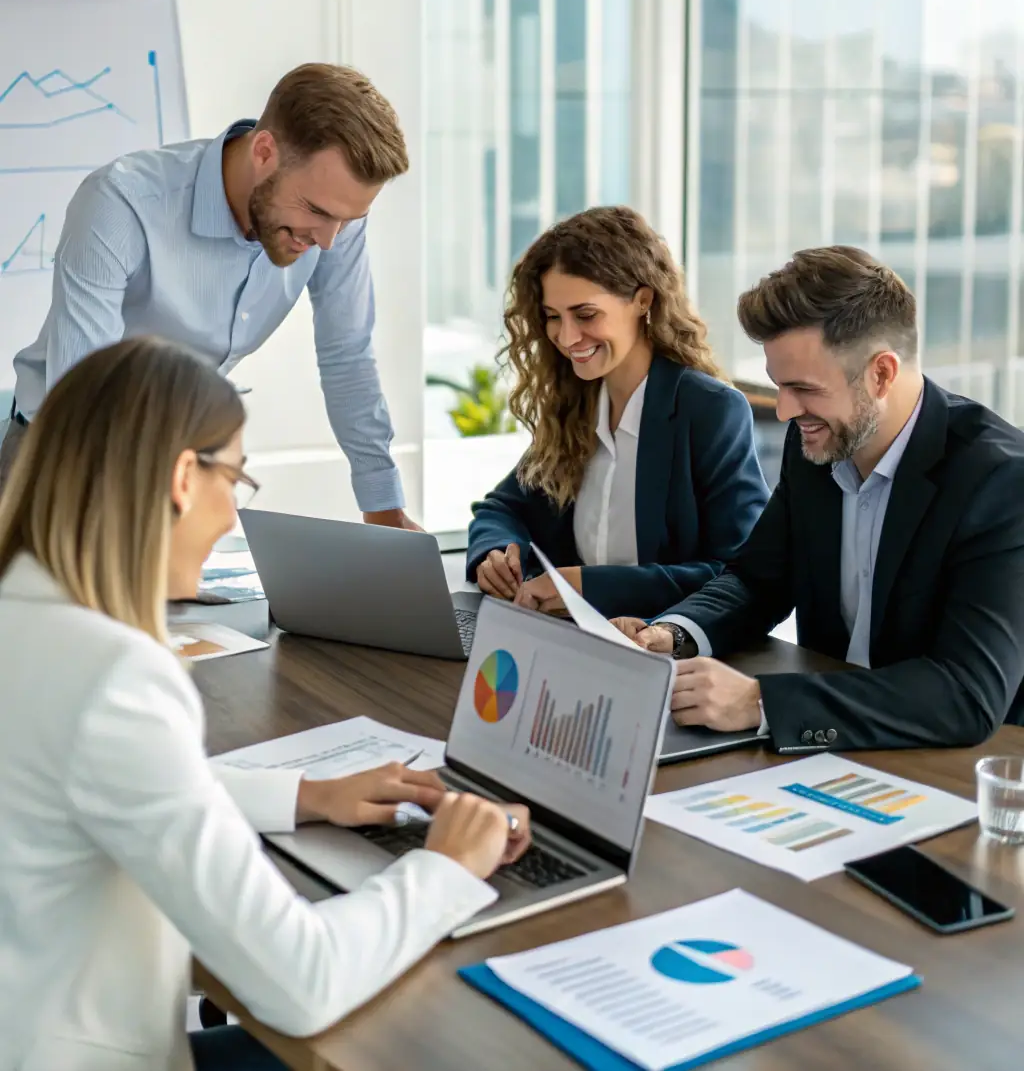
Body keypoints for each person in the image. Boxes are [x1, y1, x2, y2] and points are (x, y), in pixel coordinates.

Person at [0, 337, 529, 1071]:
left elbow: (89, 778)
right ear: (185, 476)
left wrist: (308, 795)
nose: (230, 516)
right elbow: (301, 981)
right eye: (236, 480)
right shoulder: (116, 678)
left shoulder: (24, 616)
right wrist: (447, 868)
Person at [614, 246, 1024, 751]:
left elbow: (965, 692)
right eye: (778, 386)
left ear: (881, 374)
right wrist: (674, 634)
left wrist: (760, 702)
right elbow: (757, 579)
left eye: (803, 389)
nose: (785, 411)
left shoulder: (1001, 481)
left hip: (964, 771)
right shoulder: (819, 442)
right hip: (826, 755)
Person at [0, 64, 417, 530]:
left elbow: (347, 356)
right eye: (316, 212)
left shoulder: (330, 223)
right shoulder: (122, 203)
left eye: (348, 220)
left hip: (176, 464)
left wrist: (384, 509)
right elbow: (83, 396)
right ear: (264, 152)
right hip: (64, 456)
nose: (327, 242)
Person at [467, 207, 769, 619]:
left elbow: (740, 573)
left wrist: (589, 586)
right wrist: (497, 554)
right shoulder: (576, 403)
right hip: (570, 639)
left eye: (585, 314)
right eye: (553, 317)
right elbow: (502, 508)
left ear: (642, 300)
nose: (567, 336)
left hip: (669, 653)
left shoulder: (710, 410)